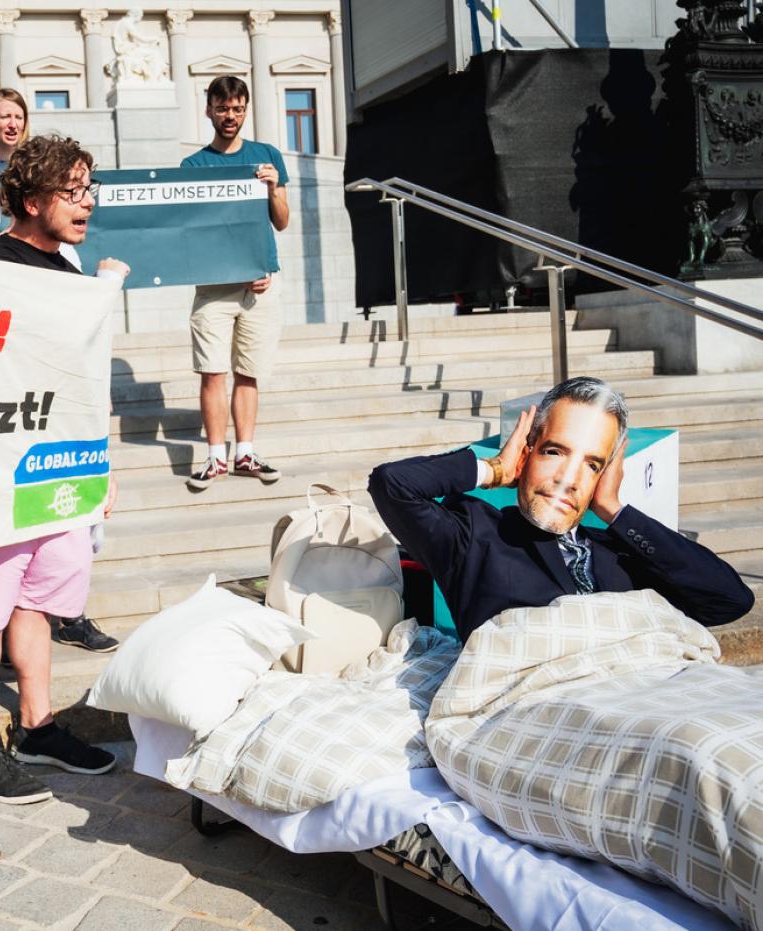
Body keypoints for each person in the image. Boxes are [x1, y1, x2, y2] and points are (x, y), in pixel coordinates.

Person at [0, 134, 124, 805]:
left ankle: (37, 724)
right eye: (71, 190)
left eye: (88, 189)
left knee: (41, 601)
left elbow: (86, 382)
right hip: (1, 474)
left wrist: (102, 464)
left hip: (65, 475)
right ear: (31, 199)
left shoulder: (73, 279)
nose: (86, 203)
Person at [369, 376, 755, 641]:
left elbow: (729, 599)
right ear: (528, 452)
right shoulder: (474, 534)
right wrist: (493, 470)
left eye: (591, 464)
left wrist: (613, 508)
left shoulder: (619, 549)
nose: (568, 479)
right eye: (555, 452)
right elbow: (392, 485)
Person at [181, 75, 290, 491]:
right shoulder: (193, 167)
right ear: (209, 110)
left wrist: (273, 187)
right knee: (212, 372)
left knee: (249, 372)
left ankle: (245, 451)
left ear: (246, 110)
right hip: (214, 288)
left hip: (262, 283)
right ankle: (215, 456)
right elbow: (197, 234)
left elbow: (281, 220)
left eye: (238, 109)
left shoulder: (266, 156)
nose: (231, 116)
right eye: (223, 108)